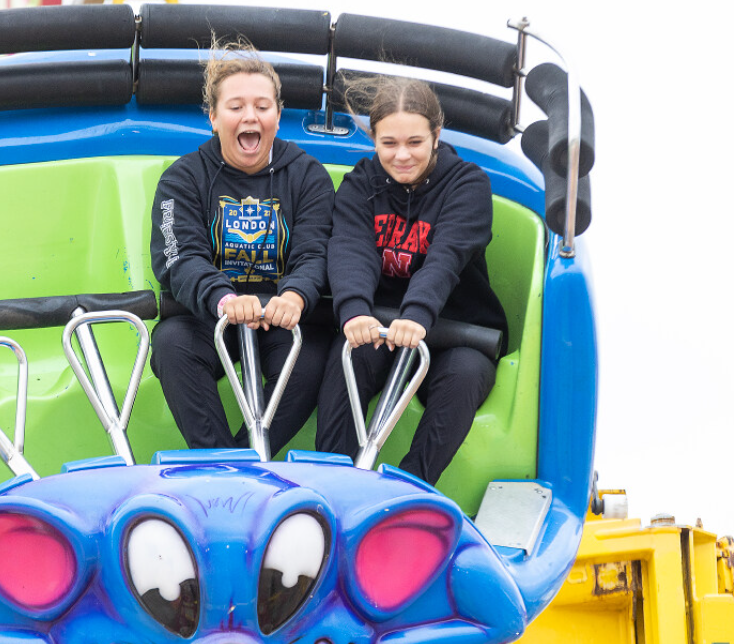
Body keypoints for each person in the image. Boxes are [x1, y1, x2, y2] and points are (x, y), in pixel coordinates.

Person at [315, 76, 509, 486]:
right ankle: (333, 483)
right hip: (381, 325)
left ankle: (407, 490)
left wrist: (417, 313)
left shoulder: (467, 184)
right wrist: (353, 310)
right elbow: (350, 248)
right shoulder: (361, 184)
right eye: (389, 144)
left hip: (453, 331)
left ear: (436, 136)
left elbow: (446, 257)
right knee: (348, 356)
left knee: (465, 377)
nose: (402, 156)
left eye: (415, 143)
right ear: (373, 139)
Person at [149, 39, 335, 454]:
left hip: (282, 318)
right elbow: (177, 257)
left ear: (278, 114)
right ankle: (221, 461)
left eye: (262, 106)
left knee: (311, 355)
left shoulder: (309, 177)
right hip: (208, 317)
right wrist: (222, 297)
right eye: (235, 107)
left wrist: (295, 294)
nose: (250, 116)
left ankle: (237, 463)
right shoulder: (181, 179)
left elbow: (317, 250)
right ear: (213, 117)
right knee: (170, 344)